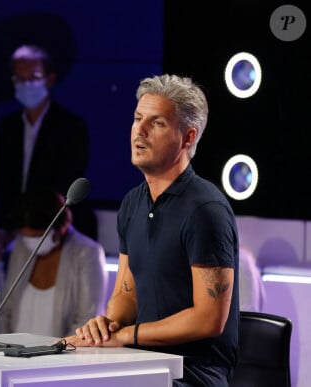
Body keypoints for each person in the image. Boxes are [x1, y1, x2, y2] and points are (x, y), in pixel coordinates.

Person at [66, 74, 240, 386]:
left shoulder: (205, 210)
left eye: (157, 123)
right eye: (137, 118)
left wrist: (125, 336)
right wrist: (107, 325)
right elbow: (125, 293)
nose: (140, 131)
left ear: (187, 138)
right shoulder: (133, 203)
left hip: (194, 373)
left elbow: (208, 319)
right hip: (142, 360)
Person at [0, 43, 96, 290]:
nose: (26, 84)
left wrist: (17, 229)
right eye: (19, 78)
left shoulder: (71, 126)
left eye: (34, 77)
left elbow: (64, 187)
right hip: (10, 221)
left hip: (48, 218)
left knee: (25, 246)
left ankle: (14, 302)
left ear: (50, 79)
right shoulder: (8, 126)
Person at [0, 188, 107, 338]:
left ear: (60, 227)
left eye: (37, 236)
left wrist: (58, 353)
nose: (31, 242)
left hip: (61, 357)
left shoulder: (87, 253)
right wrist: (5, 347)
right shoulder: (21, 246)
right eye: (25, 236)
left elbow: (87, 319)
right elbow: (5, 309)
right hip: (14, 354)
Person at [238, 246, 265, 312]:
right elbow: (262, 297)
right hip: (253, 316)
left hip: (239, 315)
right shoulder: (249, 258)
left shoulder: (235, 258)